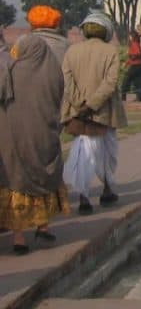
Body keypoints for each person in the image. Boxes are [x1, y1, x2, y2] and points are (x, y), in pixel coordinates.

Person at [0, 34, 69, 255]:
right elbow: (60, 99)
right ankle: (43, 227)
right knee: (43, 180)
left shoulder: (11, 70)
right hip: (44, 136)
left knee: (17, 183)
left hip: (14, 138)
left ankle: (19, 239)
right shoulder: (52, 71)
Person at [61, 11, 128, 215]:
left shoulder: (72, 51)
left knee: (84, 152)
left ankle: (89, 195)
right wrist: (92, 105)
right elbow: (110, 84)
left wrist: (80, 104)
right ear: (106, 31)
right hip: (103, 111)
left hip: (79, 111)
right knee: (105, 153)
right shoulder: (111, 52)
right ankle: (100, 192)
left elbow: (67, 82)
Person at [121, 29, 141, 101]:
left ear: (132, 36)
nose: (129, 37)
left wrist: (131, 57)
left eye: (130, 36)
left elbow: (138, 53)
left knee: (127, 79)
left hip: (136, 65)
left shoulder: (134, 43)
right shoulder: (134, 43)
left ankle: (123, 95)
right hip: (137, 65)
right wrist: (127, 63)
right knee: (138, 81)